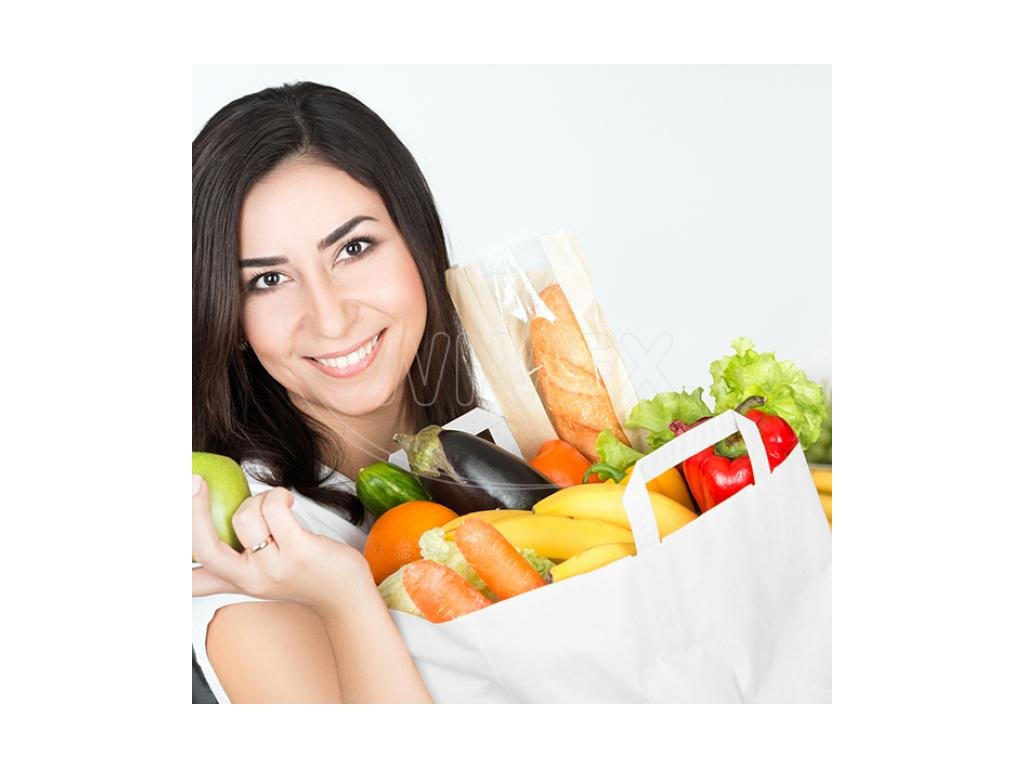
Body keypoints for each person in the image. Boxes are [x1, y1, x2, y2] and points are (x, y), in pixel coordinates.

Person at [191, 81, 481, 703]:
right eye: (268, 280)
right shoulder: (246, 565)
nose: (329, 318)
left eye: (353, 248)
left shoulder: (521, 448)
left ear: (419, 244)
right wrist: (346, 599)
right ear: (226, 315)